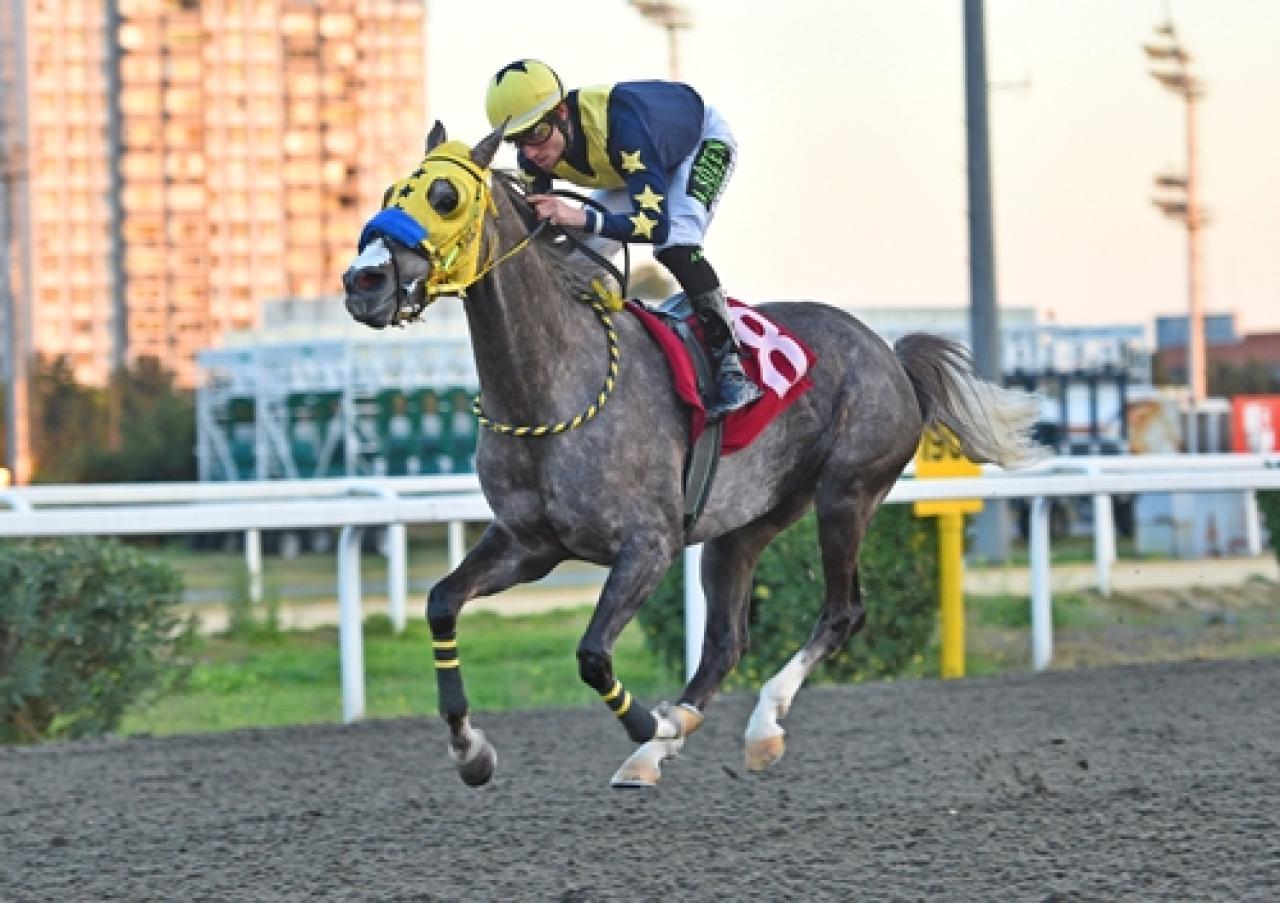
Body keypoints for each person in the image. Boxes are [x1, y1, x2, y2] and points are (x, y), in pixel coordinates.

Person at [484, 59, 762, 419]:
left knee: (675, 244)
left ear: (562, 112)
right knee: (576, 261)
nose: (532, 153)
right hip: (635, 166)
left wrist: (576, 216)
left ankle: (732, 369)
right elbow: (541, 236)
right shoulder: (534, 154)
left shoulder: (624, 130)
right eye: (517, 142)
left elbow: (654, 226)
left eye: (536, 134)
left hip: (698, 142)